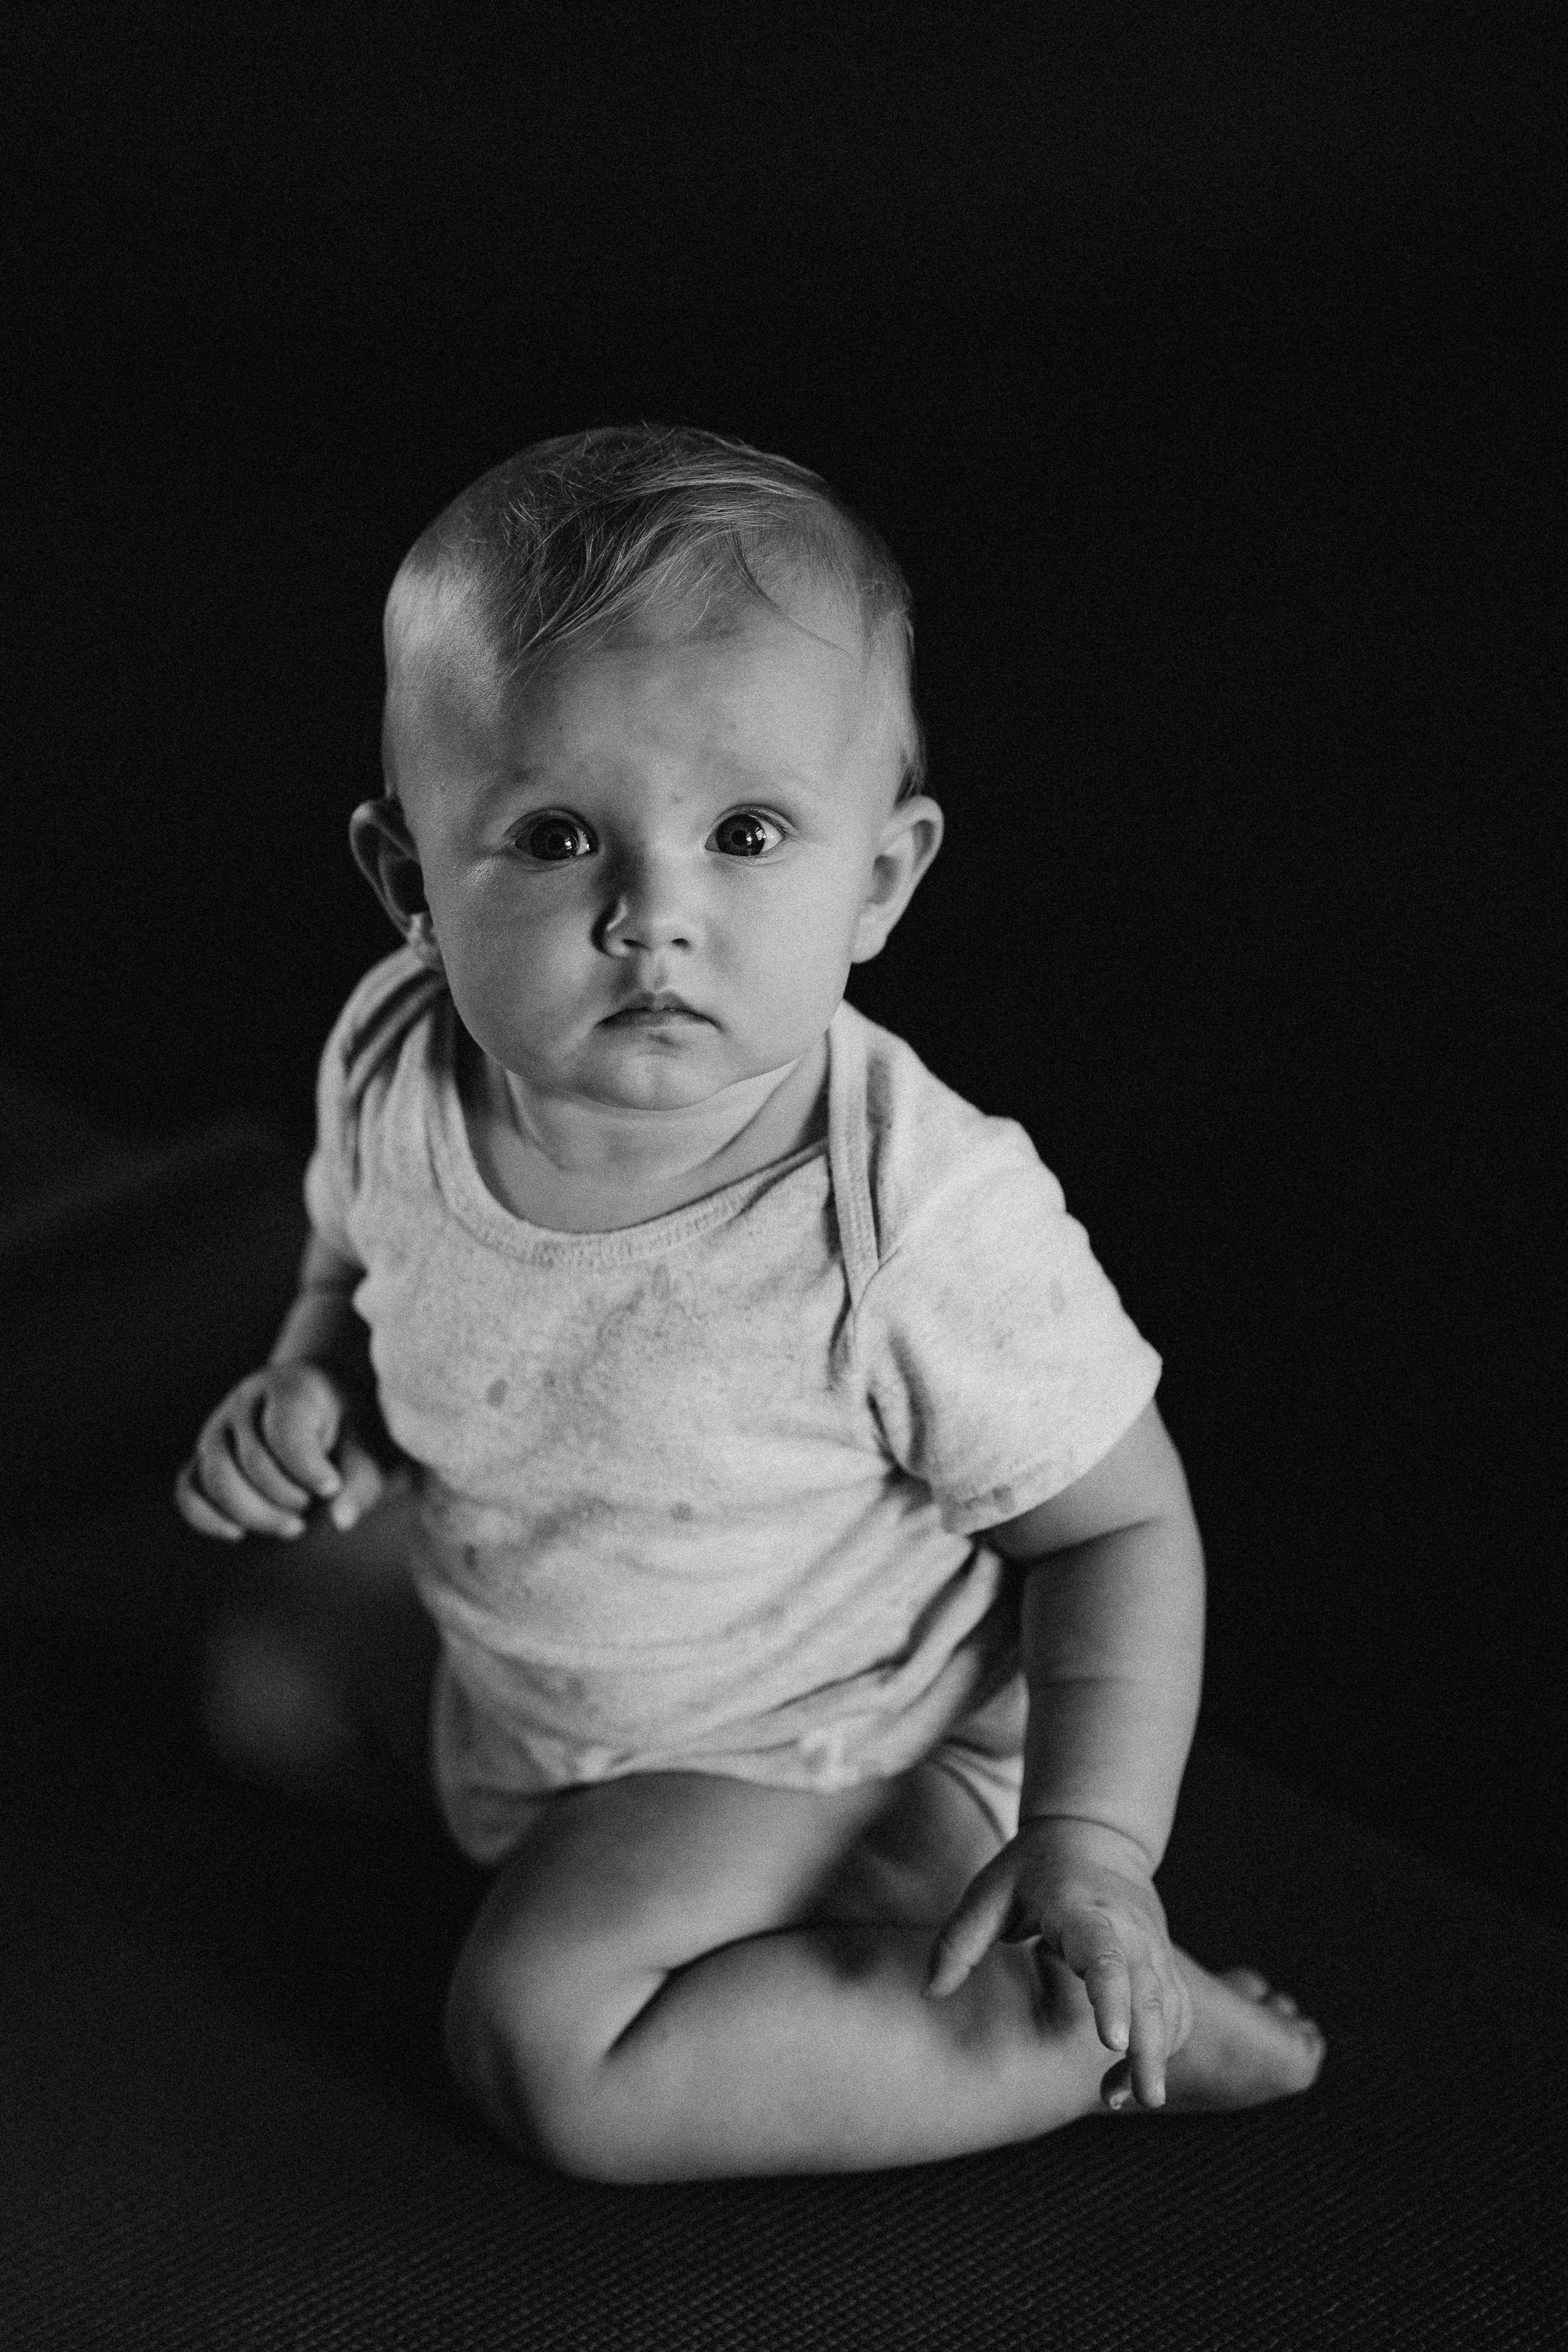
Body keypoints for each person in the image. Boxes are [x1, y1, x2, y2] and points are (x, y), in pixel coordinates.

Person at [175, 425, 1324, 2182]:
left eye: (748, 832)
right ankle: (643, 1868)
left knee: (551, 2050)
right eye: (557, 835)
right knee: (260, 1671)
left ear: (879, 878)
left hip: (815, 1731)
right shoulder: (396, 1055)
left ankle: (1061, 2026)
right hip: (544, 1651)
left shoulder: (909, 1217)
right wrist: (307, 1390)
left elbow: (1119, 1535)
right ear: (408, 883)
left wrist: (1096, 1839)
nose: (655, 914)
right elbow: (357, 1259)